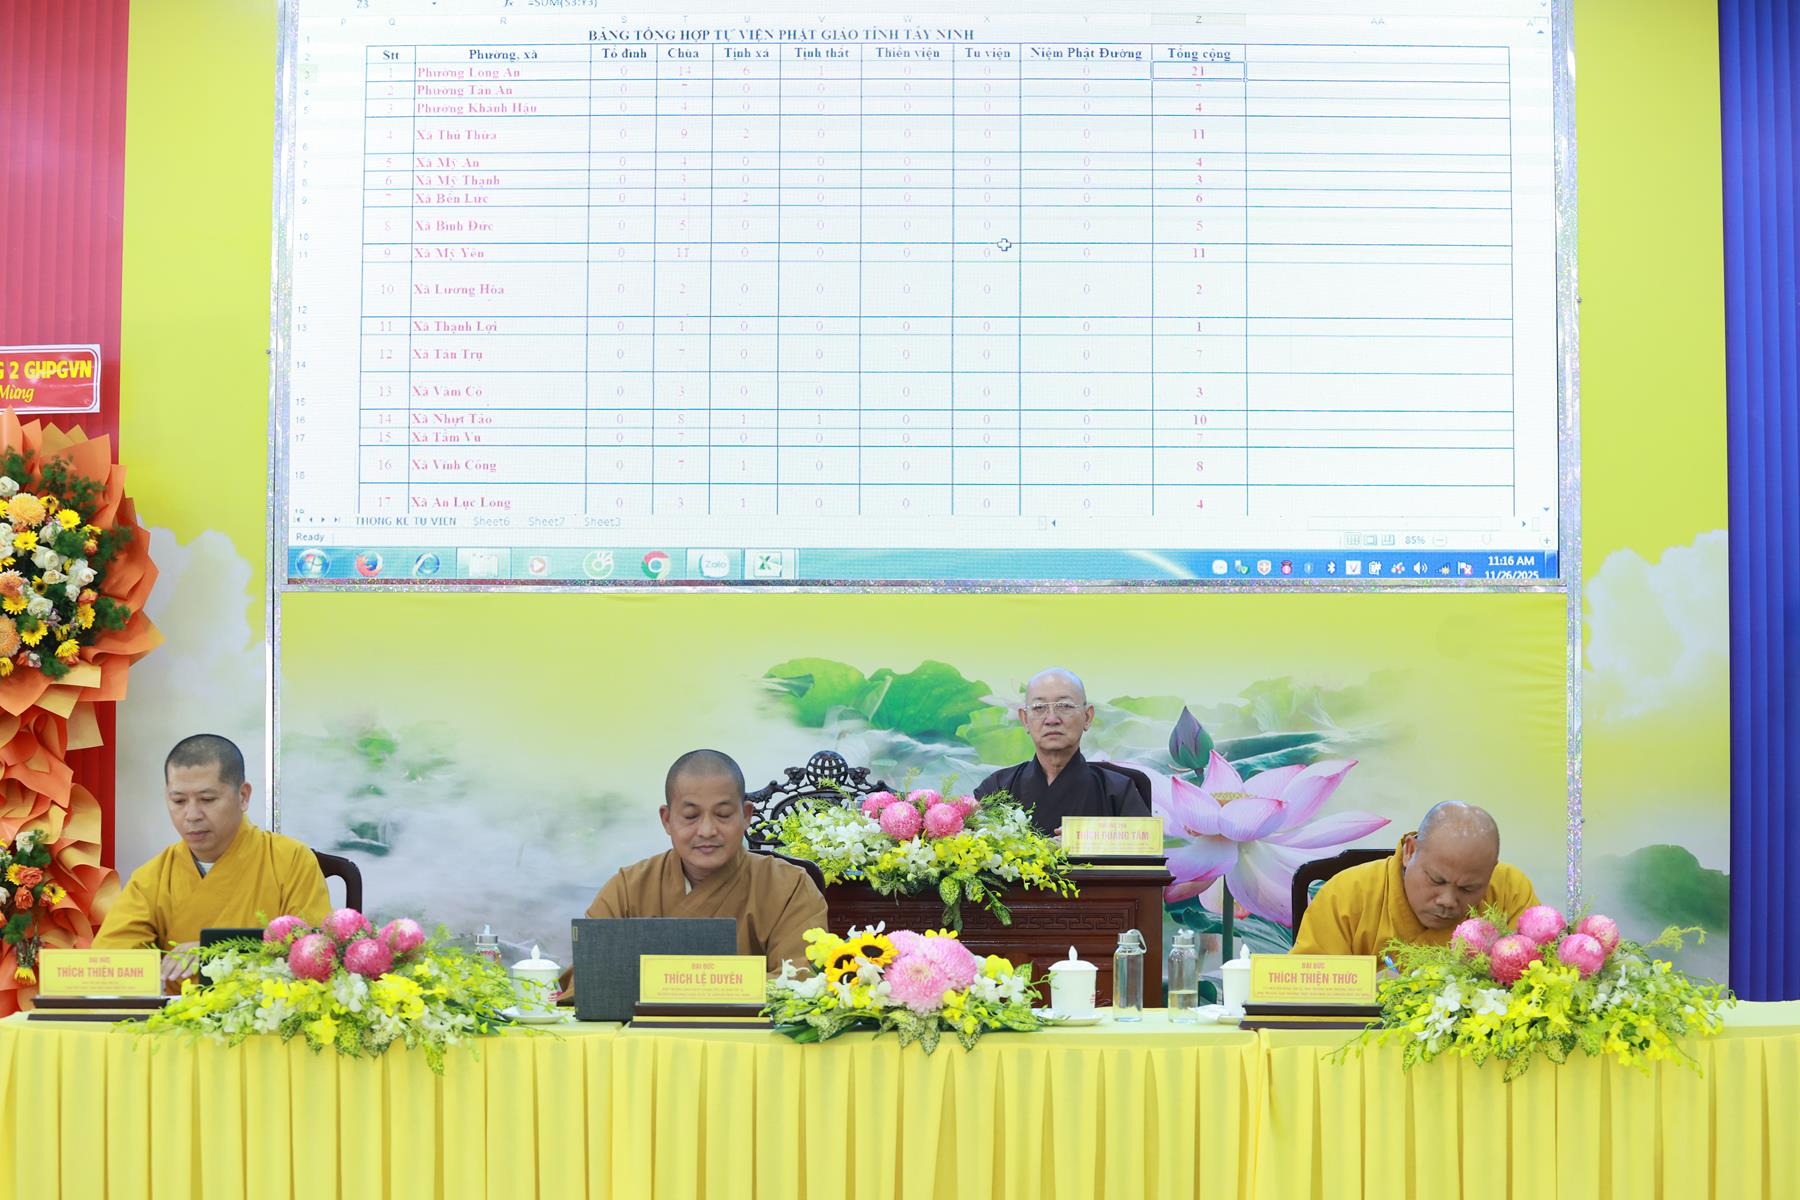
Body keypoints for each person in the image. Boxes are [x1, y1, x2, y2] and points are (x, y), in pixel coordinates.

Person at [93, 734, 330, 987]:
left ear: (243, 796)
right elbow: (109, 962)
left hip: (266, 1008)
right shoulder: (152, 878)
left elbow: (313, 952)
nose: (191, 815)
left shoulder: (291, 860)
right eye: (178, 801)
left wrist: (217, 953)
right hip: (176, 1011)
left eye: (207, 799)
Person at [585, 749, 827, 974]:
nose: (707, 830)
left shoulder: (790, 887)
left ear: (746, 816)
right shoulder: (627, 890)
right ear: (667, 820)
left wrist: (688, 988)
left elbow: (801, 980)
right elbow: (590, 980)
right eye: (691, 816)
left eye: (723, 815)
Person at [1291, 801, 1539, 956]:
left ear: (1490, 872)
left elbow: (1536, 984)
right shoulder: (1346, 894)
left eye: (1468, 888)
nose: (1447, 900)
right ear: (1410, 851)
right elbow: (1311, 995)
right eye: (1436, 880)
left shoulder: (1509, 889)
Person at [973, 668, 1151, 834]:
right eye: (1039, 707)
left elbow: (1145, 848)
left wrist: (1087, 841)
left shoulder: (1118, 791)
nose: (1051, 719)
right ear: (1025, 719)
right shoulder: (997, 788)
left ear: (1087, 717)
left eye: (1065, 706)